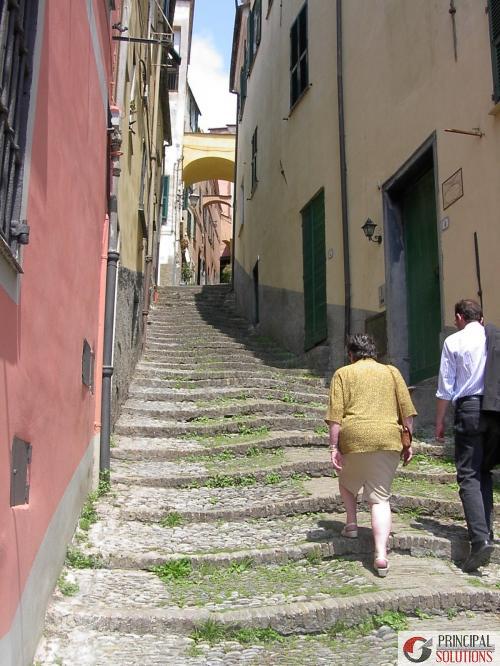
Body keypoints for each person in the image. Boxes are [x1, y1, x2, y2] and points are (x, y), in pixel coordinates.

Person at [325, 334, 417, 577]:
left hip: (354, 437)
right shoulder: (392, 372)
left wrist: (334, 448)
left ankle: (352, 524)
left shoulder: (343, 374)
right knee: (380, 499)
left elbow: (335, 417)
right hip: (388, 438)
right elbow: (407, 412)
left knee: (346, 482)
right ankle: (381, 555)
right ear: (374, 352)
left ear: (351, 354)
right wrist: (409, 443)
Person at [435, 299, 500, 573]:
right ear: (481, 318)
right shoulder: (493, 337)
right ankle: (487, 530)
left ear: (459, 317)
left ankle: (479, 539)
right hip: (496, 409)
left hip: (471, 409)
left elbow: (445, 387)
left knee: (469, 475)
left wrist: (439, 421)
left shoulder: (454, 341)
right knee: (484, 471)